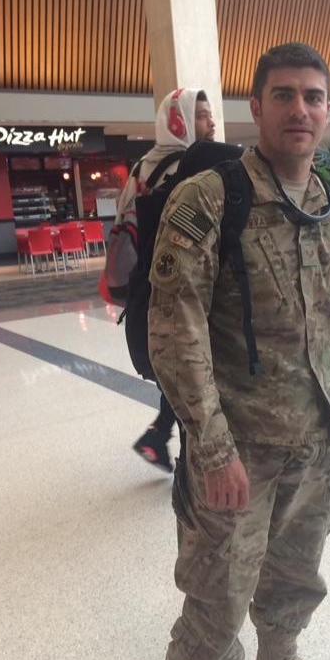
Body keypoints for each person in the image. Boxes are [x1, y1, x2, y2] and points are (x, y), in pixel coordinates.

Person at [148, 43, 330, 660]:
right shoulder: (210, 199)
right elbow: (176, 327)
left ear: (328, 110)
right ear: (255, 106)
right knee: (218, 588)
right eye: (283, 94)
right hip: (238, 448)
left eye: (313, 96)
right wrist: (211, 447)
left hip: (314, 439)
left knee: (295, 569)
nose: (299, 109)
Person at [107, 88, 215, 471]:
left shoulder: (142, 168)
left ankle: (161, 437)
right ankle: (185, 460)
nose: (211, 122)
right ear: (179, 121)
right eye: (201, 115)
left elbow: (123, 227)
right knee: (192, 373)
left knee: (178, 372)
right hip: (184, 291)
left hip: (148, 290)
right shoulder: (191, 167)